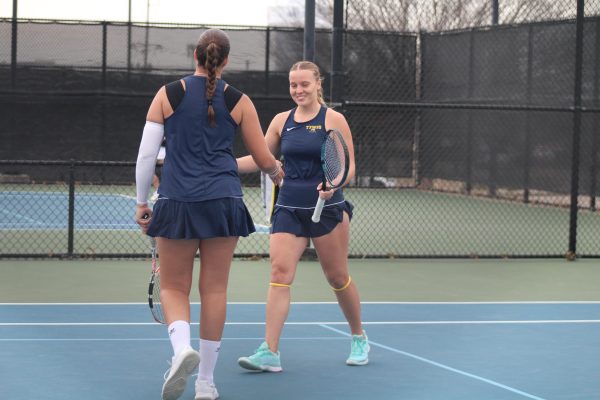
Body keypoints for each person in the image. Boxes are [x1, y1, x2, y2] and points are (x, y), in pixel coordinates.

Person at [134, 29, 283, 400]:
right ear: (226, 60)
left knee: (173, 287)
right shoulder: (241, 101)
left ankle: (181, 349)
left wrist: (141, 202)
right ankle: (206, 383)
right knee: (214, 288)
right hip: (223, 202)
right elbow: (264, 158)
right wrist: (278, 172)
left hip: (177, 202)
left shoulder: (167, 94)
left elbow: (146, 156)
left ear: (195, 56)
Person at [236, 61, 369, 372]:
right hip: (289, 209)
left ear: (317, 84)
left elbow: (348, 165)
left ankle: (359, 336)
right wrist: (220, 165)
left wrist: (334, 184)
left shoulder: (333, 119)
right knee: (280, 274)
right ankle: (270, 351)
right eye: (293, 85)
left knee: (337, 277)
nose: (298, 90)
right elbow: (261, 157)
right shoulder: (282, 121)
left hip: (328, 209)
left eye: (304, 84)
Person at [151, 137, 166, 202]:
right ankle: (158, 192)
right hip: (156, 158)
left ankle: (163, 193)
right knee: (151, 175)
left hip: (166, 158)